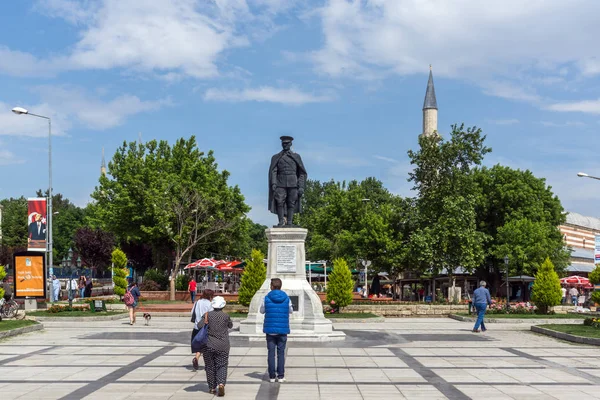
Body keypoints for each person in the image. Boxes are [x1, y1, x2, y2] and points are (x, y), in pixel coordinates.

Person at [268, 135, 307, 227]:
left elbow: (302, 173)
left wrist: (301, 186)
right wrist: (273, 183)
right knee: (279, 202)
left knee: (291, 203)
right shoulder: (276, 157)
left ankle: (289, 222)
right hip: (280, 183)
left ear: (290, 144)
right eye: (283, 143)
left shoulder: (296, 156)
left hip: (293, 183)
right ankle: (281, 222)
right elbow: (274, 171)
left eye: (287, 143)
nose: (285, 145)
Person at [198, 296, 232, 397]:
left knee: (209, 366)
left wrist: (206, 321)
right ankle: (221, 384)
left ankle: (212, 388)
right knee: (222, 365)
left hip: (208, 344)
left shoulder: (207, 315)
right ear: (223, 305)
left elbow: (199, 326)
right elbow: (230, 326)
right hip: (223, 345)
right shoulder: (226, 316)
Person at [260, 278, 293, 383]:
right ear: (280, 286)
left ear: (272, 286)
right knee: (281, 353)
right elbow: (291, 311)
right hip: (282, 330)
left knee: (271, 353)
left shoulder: (266, 298)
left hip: (270, 330)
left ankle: (272, 376)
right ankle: (281, 376)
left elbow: (262, 311)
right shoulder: (287, 298)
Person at [191, 289, 214, 370]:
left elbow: (192, 313)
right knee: (206, 346)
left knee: (199, 345)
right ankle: (208, 364)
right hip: (206, 327)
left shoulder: (197, 302)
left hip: (197, 327)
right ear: (210, 296)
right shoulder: (210, 304)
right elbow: (211, 315)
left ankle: (196, 358)